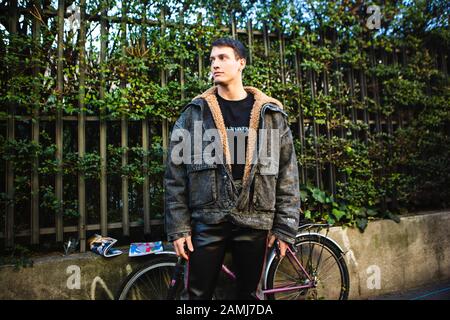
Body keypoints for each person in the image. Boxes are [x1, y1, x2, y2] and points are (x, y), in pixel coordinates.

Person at [164, 37, 301, 300]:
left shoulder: (270, 115)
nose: (215, 64)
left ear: (241, 63)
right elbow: (175, 176)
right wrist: (179, 228)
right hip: (208, 220)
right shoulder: (194, 114)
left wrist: (284, 228)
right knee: (195, 296)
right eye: (212, 59)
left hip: (255, 219)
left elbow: (287, 175)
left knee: (250, 296)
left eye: (223, 58)